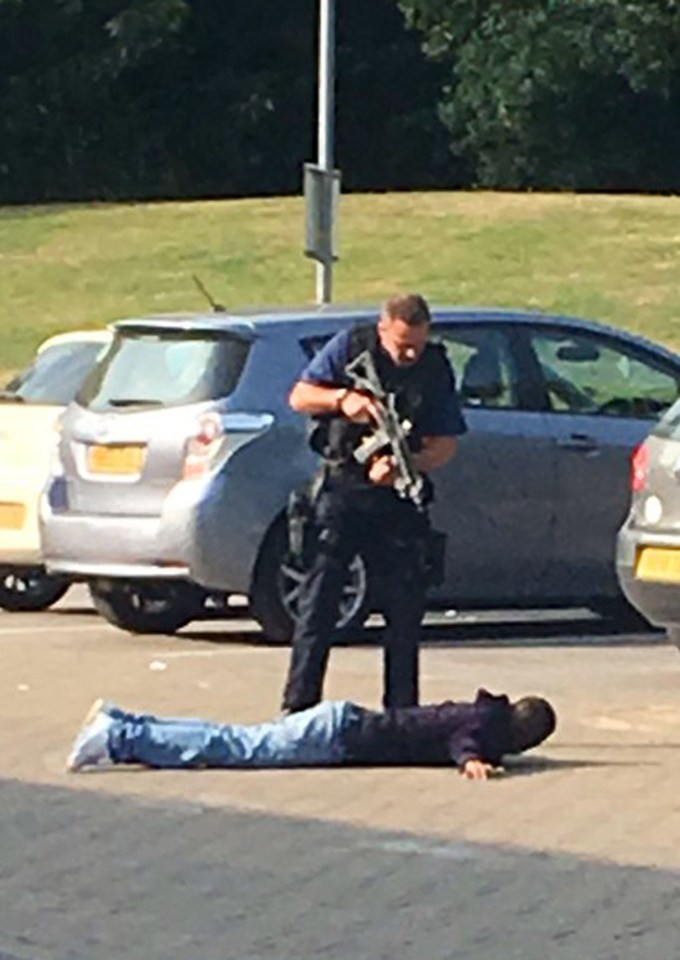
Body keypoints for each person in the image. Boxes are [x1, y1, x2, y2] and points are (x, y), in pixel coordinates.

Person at [282, 293, 467, 714]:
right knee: (319, 604)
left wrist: (409, 466)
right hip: (343, 493)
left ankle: (401, 713)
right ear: (384, 329)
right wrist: (343, 401)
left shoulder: (435, 366)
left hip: (397, 502)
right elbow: (299, 396)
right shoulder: (351, 347)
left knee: (404, 610)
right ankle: (299, 708)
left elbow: (446, 443)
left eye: (417, 344)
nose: (409, 353)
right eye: (402, 343)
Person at [66, 689, 556, 780]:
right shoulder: (485, 727)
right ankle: (117, 738)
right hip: (337, 739)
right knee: (233, 748)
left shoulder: (483, 710)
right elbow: (462, 743)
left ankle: (125, 721)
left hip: (339, 723)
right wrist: (470, 761)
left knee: (232, 737)